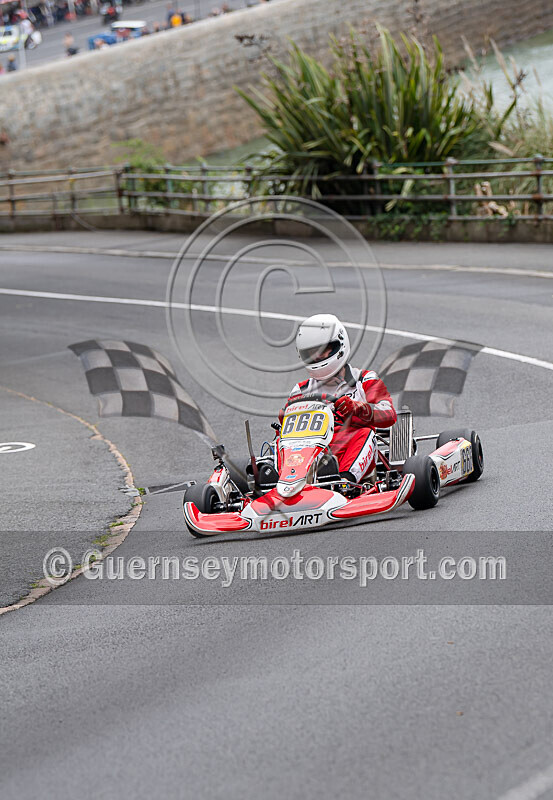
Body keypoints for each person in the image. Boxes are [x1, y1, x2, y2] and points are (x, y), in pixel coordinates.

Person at [282, 314, 397, 484]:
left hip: (352, 447)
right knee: (281, 442)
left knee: (365, 433)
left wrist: (359, 408)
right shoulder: (300, 390)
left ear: (339, 345)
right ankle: (283, 482)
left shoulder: (364, 380)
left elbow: (389, 414)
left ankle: (344, 482)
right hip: (313, 451)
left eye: (322, 350)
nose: (317, 357)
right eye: (311, 353)